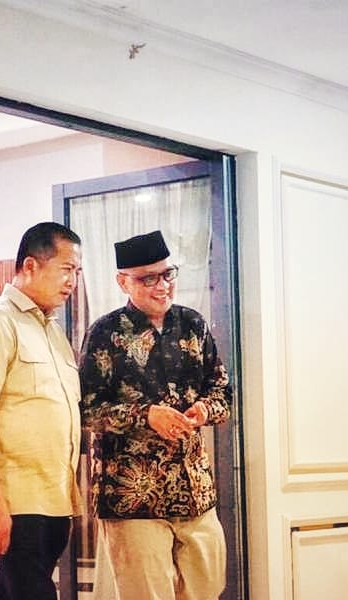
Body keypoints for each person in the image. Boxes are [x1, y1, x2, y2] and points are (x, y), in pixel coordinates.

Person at [79, 230, 232, 600]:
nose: (162, 286)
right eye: (149, 278)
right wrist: (145, 415)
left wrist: (204, 410)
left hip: (195, 491)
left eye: (168, 274)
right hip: (134, 500)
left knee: (207, 591)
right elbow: (87, 408)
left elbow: (222, 391)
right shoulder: (105, 333)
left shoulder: (193, 325)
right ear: (123, 282)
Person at [0, 222, 83, 600]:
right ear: (30, 265)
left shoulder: (52, 331)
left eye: (77, 272)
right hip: (17, 502)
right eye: (66, 269)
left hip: (55, 499)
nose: (73, 281)